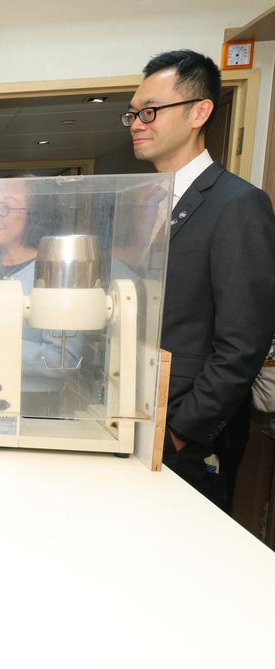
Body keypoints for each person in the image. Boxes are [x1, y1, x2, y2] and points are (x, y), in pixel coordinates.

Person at [124, 49, 275, 510]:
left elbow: (244, 342)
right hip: (136, 417)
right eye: (132, 113)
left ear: (199, 111)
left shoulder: (237, 204)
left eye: (150, 111)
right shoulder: (150, 203)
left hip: (183, 434)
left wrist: (182, 431)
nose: (136, 123)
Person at [0, 178, 83, 416]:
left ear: (37, 214)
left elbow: (64, 358)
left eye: (6, 206)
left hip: (34, 408)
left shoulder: (57, 276)